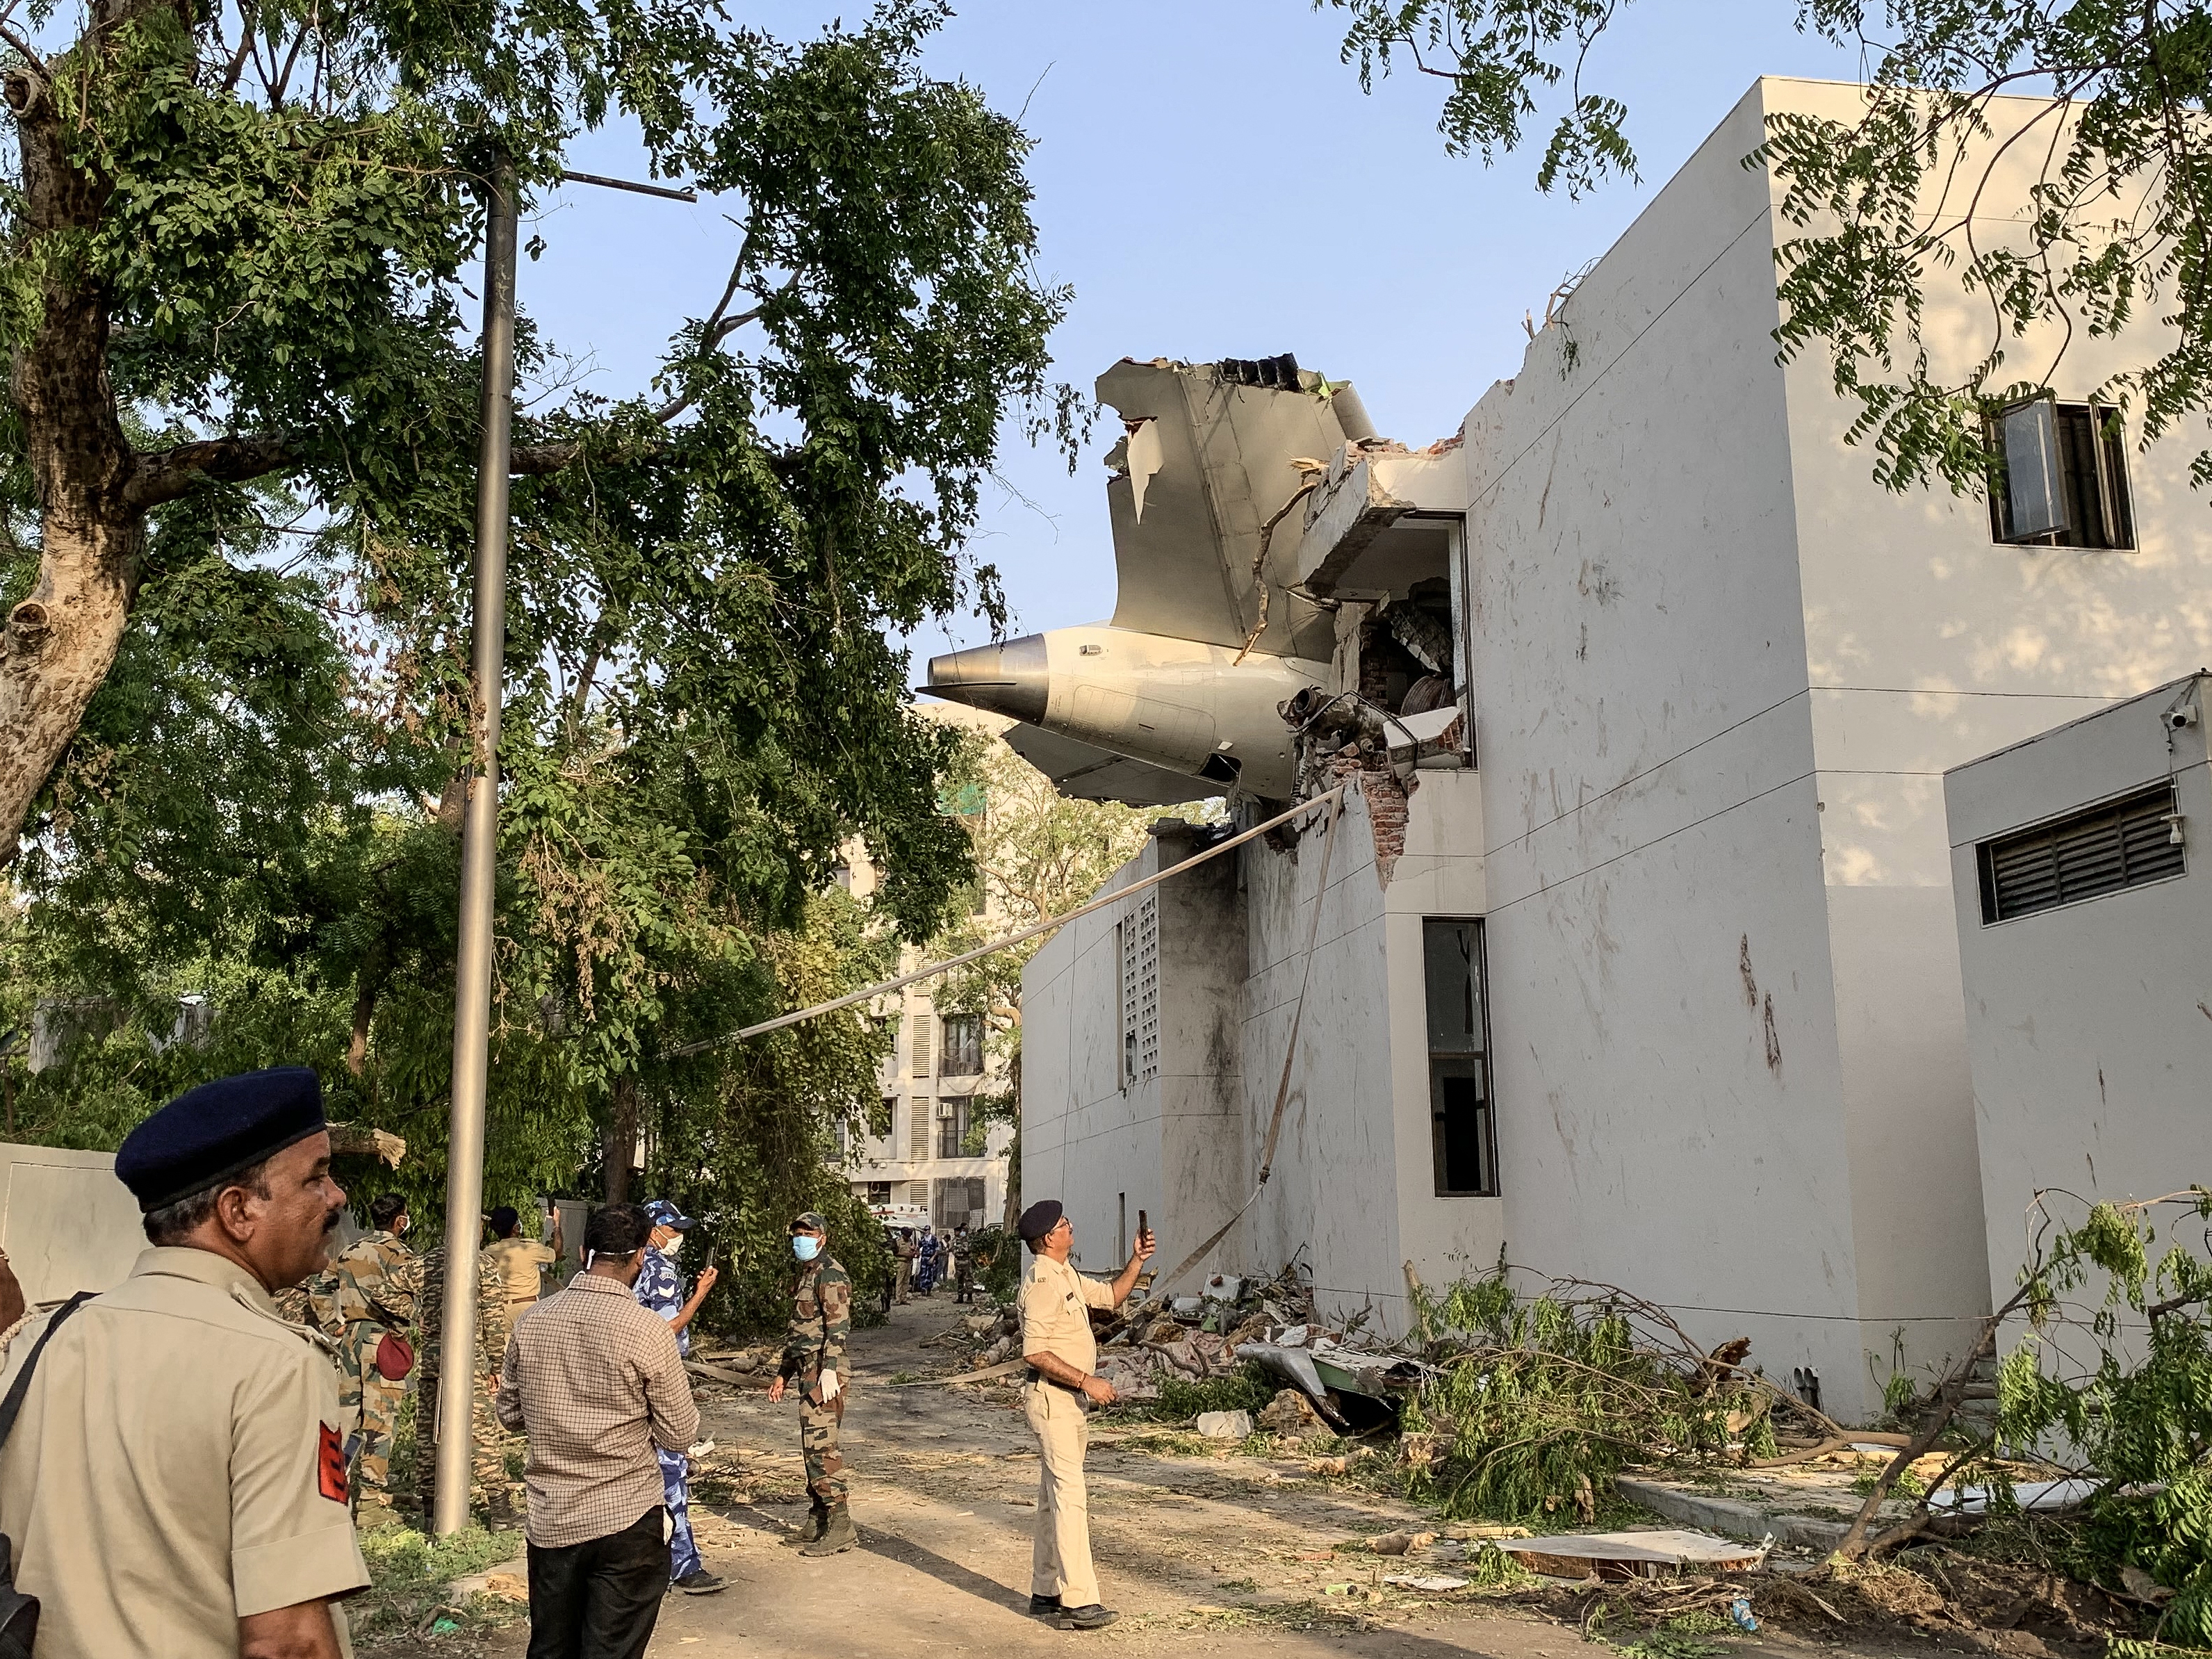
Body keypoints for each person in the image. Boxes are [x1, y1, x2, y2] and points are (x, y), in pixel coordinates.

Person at [0, 1066, 372, 1658]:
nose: (337, 1196)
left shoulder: (40, 1341)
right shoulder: (273, 1367)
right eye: (316, 1177)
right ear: (237, 1211)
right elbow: (288, 1642)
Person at [497, 1203, 700, 1659]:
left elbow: (509, 1414)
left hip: (552, 1520)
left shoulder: (533, 1321)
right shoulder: (648, 1330)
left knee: (551, 1647)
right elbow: (679, 1433)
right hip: (625, 1517)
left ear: (585, 1251)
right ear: (639, 1260)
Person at [1015, 1198, 1154, 1633]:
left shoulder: (1065, 1274)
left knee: (1052, 1496)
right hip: (1054, 1398)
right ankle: (1078, 1601)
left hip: (1067, 1402)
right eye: (1064, 1223)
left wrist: (1136, 1260)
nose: (1070, 1225)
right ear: (1049, 1238)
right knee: (1071, 1497)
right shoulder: (1041, 1282)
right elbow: (1035, 1351)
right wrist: (1086, 1381)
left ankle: (1045, 1591)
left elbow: (1111, 1296)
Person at [634, 1198, 721, 1594]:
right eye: (673, 1230)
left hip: (627, 1379)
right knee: (672, 1470)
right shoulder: (661, 1271)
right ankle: (683, 1564)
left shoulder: (628, 1266)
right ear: (654, 1231)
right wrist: (701, 1292)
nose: (679, 1238)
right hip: (658, 1378)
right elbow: (668, 1330)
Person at [322, 1191, 420, 1508]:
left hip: (349, 1340)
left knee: (344, 1417)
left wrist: (330, 1323)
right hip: (382, 1340)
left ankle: (328, 1487)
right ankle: (369, 1502)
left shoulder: (351, 1251)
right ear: (400, 1221)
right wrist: (403, 1327)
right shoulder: (399, 1255)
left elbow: (319, 1285)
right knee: (380, 1421)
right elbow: (410, 1298)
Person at [767, 1210, 855, 1555]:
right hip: (807, 1369)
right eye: (797, 1234)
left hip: (824, 1373)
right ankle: (819, 1518)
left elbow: (838, 1326)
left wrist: (830, 1369)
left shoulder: (830, 1274)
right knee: (810, 1450)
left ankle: (840, 1524)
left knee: (822, 1448)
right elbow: (799, 1334)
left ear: (822, 1238)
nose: (800, 1239)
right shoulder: (807, 1274)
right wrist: (782, 1374)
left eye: (807, 1233)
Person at [416, 1232, 516, 1521]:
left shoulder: (427, 1262)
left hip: (433, 1360)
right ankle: (499, 1509)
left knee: (429, 1430)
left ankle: (430, 1509)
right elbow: (493, 1320)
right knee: (481, 1432)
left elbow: (385, 1292)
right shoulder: (481, 1264)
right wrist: (498, 1365)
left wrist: (416, 1317)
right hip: (468, 1361)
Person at [484, 1202, 564, 1325]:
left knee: (502, 1344)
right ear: (516, 1228)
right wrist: (556, 1225)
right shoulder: (531, 1249)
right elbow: (557, 1253)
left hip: (499, 1309)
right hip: (526, 1308)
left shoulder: (489, 1251)